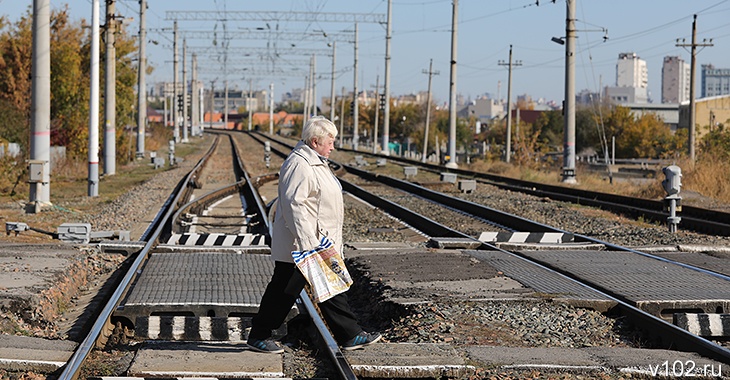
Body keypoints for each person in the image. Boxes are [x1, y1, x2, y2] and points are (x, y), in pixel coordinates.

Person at [247, 116, 381, 354]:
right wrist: (308, 243)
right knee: (284, 290)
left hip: (315, 242)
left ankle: (350, 334)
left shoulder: (314, 161)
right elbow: (293, 205)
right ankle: (259, 335)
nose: (333, 146)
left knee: (329, 286)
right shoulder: (300, 165)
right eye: (330, 141)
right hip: (303, 244)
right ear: (315, 140)